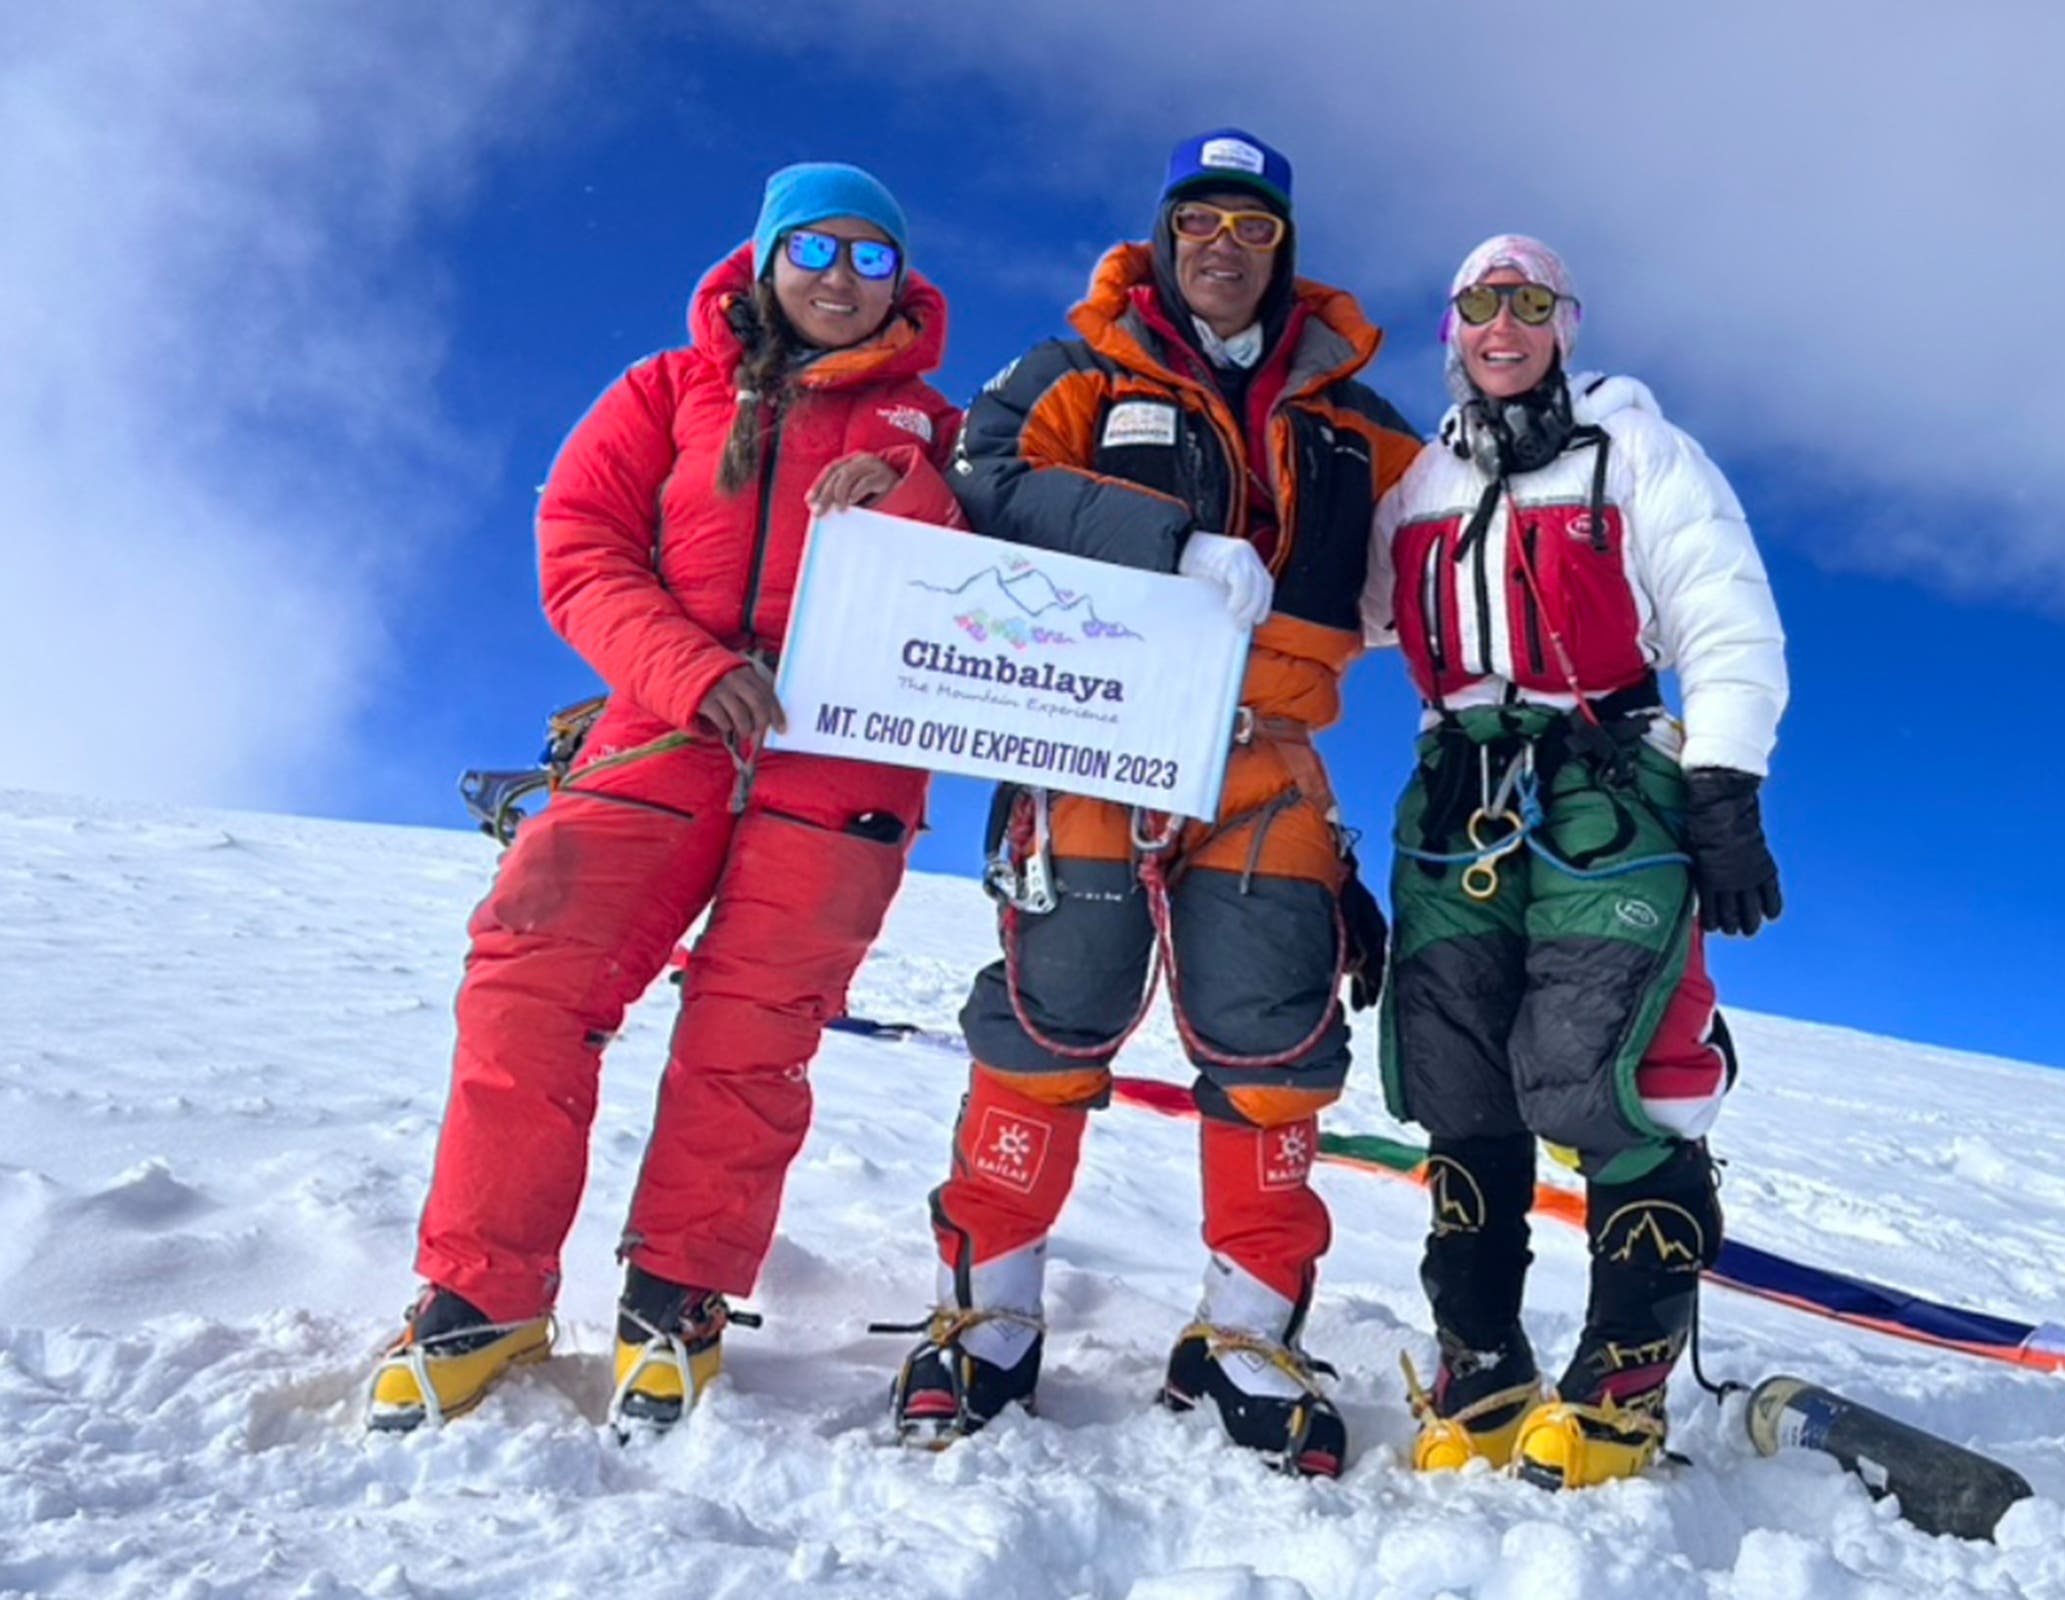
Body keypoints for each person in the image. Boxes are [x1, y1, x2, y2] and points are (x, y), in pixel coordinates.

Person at [368, 163, 966, 1433]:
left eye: (871, 258)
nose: (838, 280)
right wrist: (689, 670)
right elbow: (581, 544)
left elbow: (989, 581)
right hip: (662, 726)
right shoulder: (665, 388)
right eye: (814, 247)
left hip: (844, 764)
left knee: (756, 1029)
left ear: (901, 282)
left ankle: (678, 1299)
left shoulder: (937, 425)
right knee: (528, 977)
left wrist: (908, 496)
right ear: (765, 259)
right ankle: (483, 1292)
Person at [887, 128, 1420, 1478]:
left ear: (1282, 245)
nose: (1222, 246)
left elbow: (1469, 529)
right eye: (1200, 222)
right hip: (1091, 741)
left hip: (1267, 753)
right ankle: (990, 1313)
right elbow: (981, 480)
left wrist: (1610, 479)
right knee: (1047, 1015)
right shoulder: (1076, 369)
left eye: (1250, 225)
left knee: (1275, 1040)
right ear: (1168, 235)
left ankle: (1247, 1334)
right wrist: (1164, 541)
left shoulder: (1360, 413)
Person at [1363, 235, 1788, 1489]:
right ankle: (1481, 1364)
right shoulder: (1417, 484)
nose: (1505, 323)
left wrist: (1724, 783)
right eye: (1481, 303)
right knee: (1454, 1073)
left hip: (1603, 789)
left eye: (1530, 302)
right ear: (1452, 326)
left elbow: (1723, 608)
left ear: (1566, 322)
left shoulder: (1640, 456)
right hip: (1454, 797)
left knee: (1603, 1060)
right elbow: (1342, 613)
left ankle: (1622, 1381)